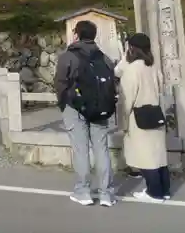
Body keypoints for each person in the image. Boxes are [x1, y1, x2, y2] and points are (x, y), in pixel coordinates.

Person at [54, 20, 117, 207]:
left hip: (75, 108)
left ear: (77, 34)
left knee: (81, 150)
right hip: (100, 110)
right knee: (101, 149)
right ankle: (106, 193)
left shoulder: (68, 56)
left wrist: (64, 104)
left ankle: (83, 191)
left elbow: (60, 83)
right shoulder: (104, 58)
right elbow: (112, 84)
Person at [119, 33, 171, 202]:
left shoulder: (132, 69)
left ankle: (153, 193)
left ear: (132, 48)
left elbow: (127, 99)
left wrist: (123, 123)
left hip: (139, 117)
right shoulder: (153, 67)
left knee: (145, 156)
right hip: (156, 113)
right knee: (159, 156)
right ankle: (164, 190)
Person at [114, 57, 142, 180]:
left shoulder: (130, 64)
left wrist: (122, 119)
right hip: (151, 109)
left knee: (133, 139)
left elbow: (117, 71)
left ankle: (135, 169)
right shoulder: (151, 63)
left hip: (134, 110)